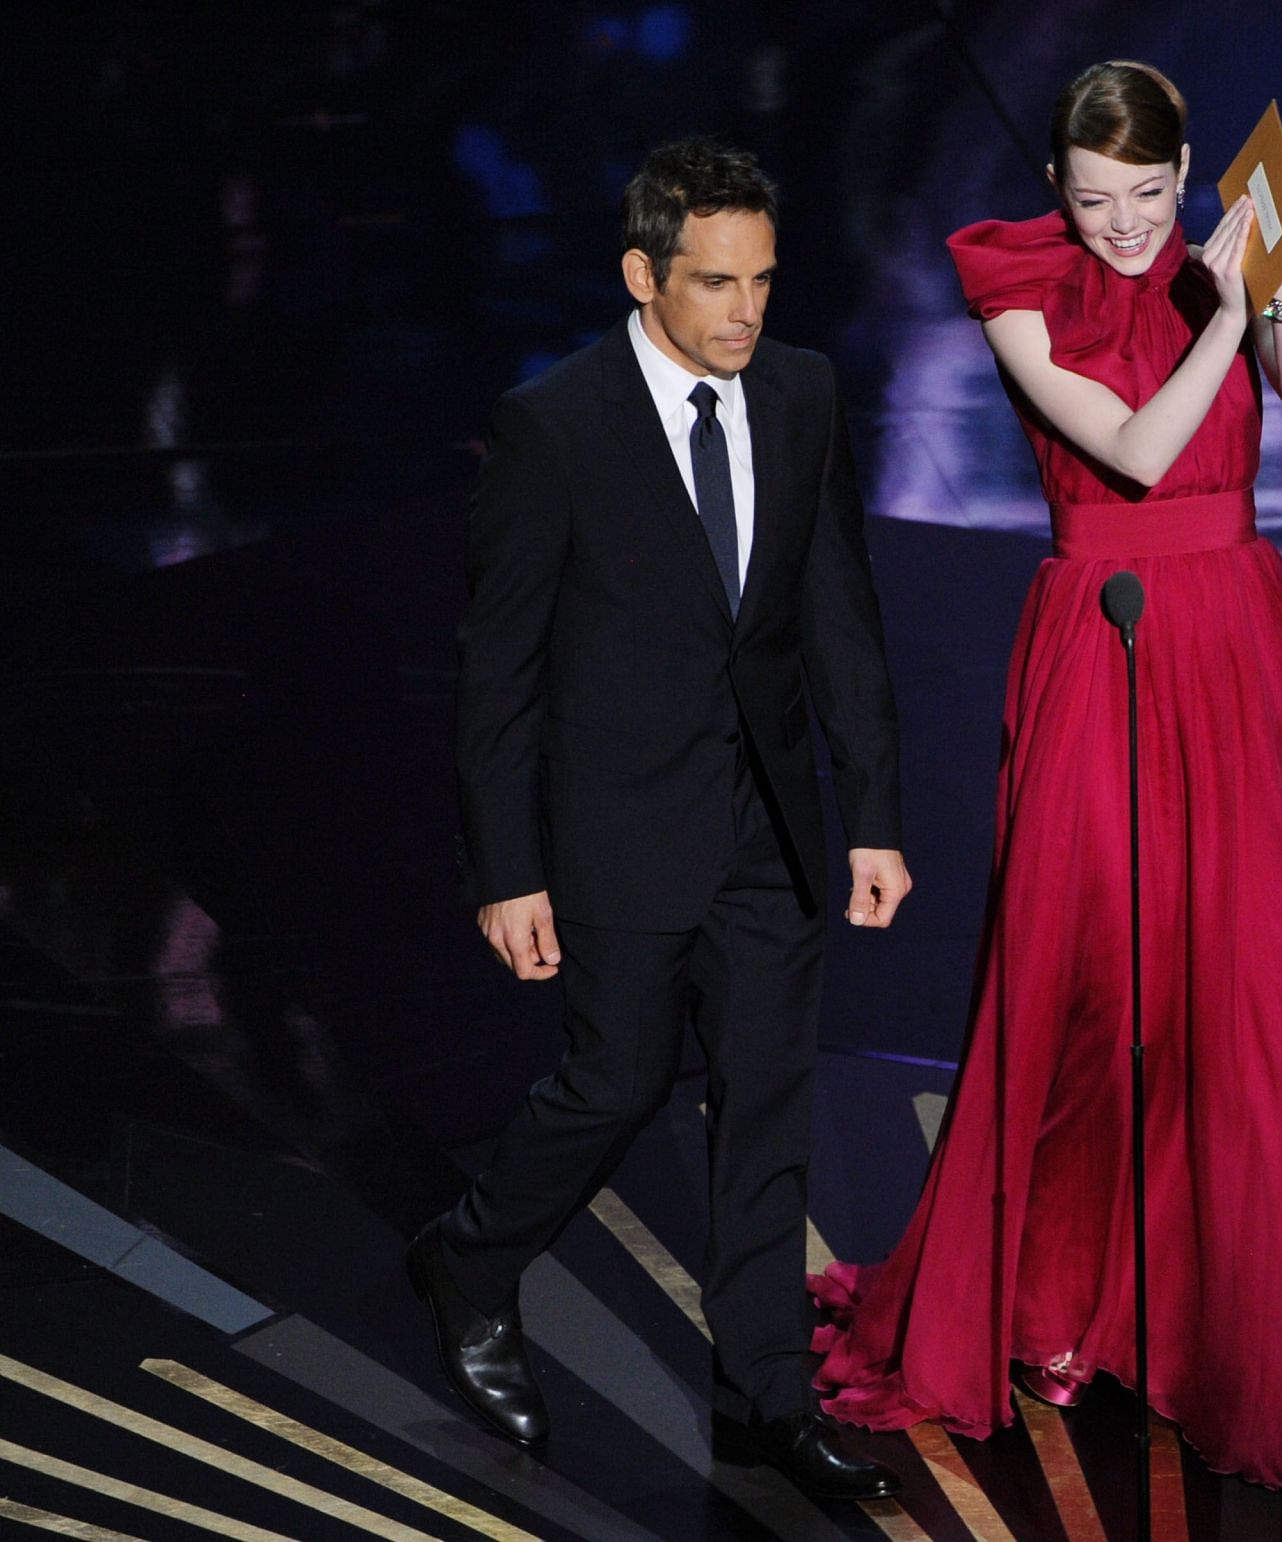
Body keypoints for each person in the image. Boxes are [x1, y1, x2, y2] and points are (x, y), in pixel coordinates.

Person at [809, 62, 1282, 1493]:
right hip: (1099, 641)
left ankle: (1232, 1320)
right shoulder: (1018, 287)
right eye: (1093, 200)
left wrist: (1280, 275)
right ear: (1057, 193)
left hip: (1234, 636)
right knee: (1088, 973)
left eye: (1144, 197)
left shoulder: (1218, 263)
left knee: (1244, 980)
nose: (1122, 228)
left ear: (1186, 172)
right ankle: (1056, 1291)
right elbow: (1132, 447)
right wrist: (1230, 306)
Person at [410, 136, 909, 1502]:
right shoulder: (554, 424)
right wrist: (505, 870)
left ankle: (766, 1397)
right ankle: (469, 1255)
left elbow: (838, 618)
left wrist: (869, 814)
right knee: (613, 1084)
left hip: (771, 830)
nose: (745, 309)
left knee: (767, 1113)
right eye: (713, 282)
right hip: (618, 832)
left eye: (760, 279)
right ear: (643, 276)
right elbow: (498, 667)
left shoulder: (802, 395)